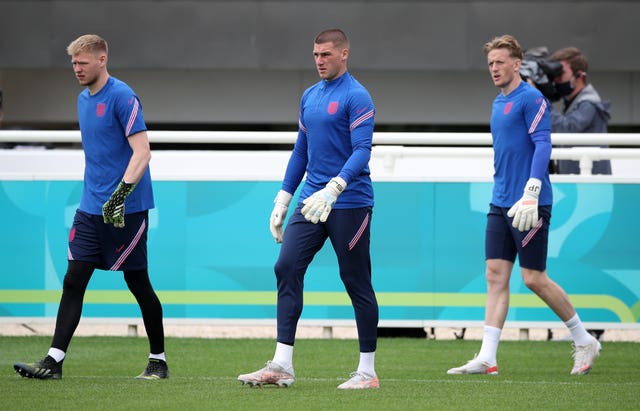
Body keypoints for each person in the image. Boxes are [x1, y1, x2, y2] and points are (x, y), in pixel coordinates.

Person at [13, 34, 168, 380]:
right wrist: (99, 201)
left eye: (83, 62)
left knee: (138, 283)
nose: (77, 69)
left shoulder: (123, 97)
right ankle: (53, 362)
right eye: (73, 63)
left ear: (102, 59)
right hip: (89, 209)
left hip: (126, 208)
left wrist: (119, 196)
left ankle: (158, 359)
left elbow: (142, 152)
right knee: (74, 279)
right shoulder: (83, 100)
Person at [446, 35, 601, 376]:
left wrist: (532, 188)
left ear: (517, 65)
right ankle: (487, 357)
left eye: (500, 62)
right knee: (495, 275)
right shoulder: (497, 103)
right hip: (500, 202)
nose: (494, 69)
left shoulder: (532, 99)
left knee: (533, 278)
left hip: (530, 203)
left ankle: (584, 338)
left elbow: (543, 143)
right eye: (490, 64)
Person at [237, 28, 379, 389]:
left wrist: (335, 187)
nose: (319, 61)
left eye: (326, 54)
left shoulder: (357, 96)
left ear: (344, 54)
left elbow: (362, 150)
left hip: (349, 201)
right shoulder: (309, 96)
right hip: (310, 202)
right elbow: (302, 149)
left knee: (355, 280)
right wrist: (283, 199)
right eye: (315, 54)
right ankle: (282, 365)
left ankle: (367, 373)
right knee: (285, 266)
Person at [549, 47, 612, 175]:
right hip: (578, 183)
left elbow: (567, 128)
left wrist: (540, 103)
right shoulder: (572, 103)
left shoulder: (589, 103)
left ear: (579, 75)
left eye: (561, 73)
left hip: (591, 185)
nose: (557, 79)